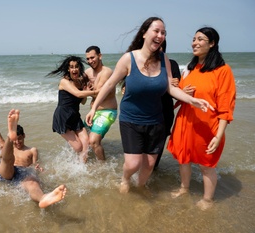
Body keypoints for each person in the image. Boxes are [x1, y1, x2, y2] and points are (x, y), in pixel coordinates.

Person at [85, 17, 213, 194]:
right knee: (133, 163)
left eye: (163, 33)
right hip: (131, 120)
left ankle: (140, 187)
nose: (160, 35)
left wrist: (192, 100)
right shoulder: (128, 59)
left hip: (156, 121)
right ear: (144, 33)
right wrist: (93, 107)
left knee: (150, 164)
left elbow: (169, 86)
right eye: (156, 31)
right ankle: (125, 179)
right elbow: (109, 85)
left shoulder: (164, 59)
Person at [167, 27, 236, 210]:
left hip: (208, 125)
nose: (195, 43)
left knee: (207, 165)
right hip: (185, 122)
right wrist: (181, 90)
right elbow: (179, 95)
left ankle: (207, 199)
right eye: (194, 39)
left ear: (212, 43)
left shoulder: (223, 70)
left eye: (200, 39)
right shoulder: (189, 69)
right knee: (183, 159)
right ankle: (184, 188)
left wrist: (219, 134)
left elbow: (225, 105)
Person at [0, 109, 67, 208]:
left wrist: (38, 169)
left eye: (19, 138)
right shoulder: (8, 149)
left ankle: (43, 198)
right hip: (7, 171)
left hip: (23, 173)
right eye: (15, 140)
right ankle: (10, 136)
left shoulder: (32, 150)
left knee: (32, 182)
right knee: (8, 159)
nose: (18, 142)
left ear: (24, 136)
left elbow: (35, 165)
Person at [47, 55, 98, 162]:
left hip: (75, 116)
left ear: (80, 68)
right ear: (68, 69)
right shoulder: (64, 82)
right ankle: (71, 163)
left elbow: (82, 101)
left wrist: (86, 91)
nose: (74, 69)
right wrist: (95, 93)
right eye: (71, 67)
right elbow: (78, 94)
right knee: (78, 147)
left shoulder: (79, 82)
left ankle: (82, 167)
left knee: (86, 143)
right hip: (63, 116)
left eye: (76, 67)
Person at [84, 46, 118, 161]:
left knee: (93, 141)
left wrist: (83, 91)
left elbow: (98, 92)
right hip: (93, 112)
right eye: (87, 59)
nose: (90, 61)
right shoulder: (88, 72)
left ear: (100, 56)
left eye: (92, 57)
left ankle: (103, 167)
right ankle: (86, 162)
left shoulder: (107, 72)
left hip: (107, 112)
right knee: (83, 140)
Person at [154, 40, 181, 168]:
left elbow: (176, 90)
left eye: (160, 47)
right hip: (146, 111)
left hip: (165, 112)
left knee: (157, 148)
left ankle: (153, 172)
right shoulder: (142, 63)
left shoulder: (172, 64)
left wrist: (177, 85)